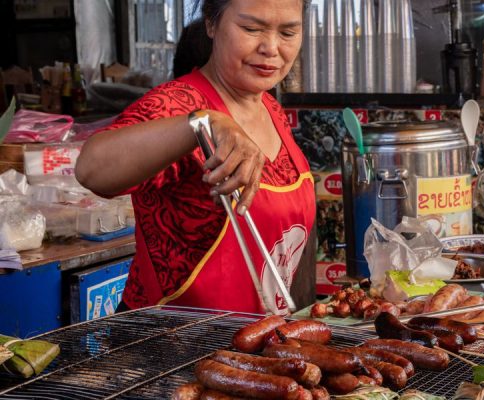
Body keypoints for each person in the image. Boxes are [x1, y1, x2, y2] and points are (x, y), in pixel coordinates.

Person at [75, 0, 314, 315]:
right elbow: (92, 169)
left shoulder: (271, 110)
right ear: (212, 24)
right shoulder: (174, 105)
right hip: (171, 347)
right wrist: (200, 124)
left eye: (288, 32)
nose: (271, 47)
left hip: (255, 345)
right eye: (251, 29)